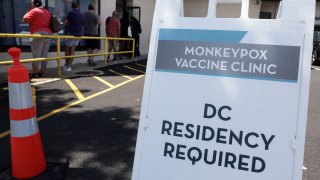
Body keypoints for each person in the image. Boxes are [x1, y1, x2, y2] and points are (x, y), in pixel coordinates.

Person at [23, 0, 52, 78]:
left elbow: (25, 19)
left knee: (36, 55)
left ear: (33, 4)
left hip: (38, 34)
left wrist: (29, 10)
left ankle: (35, 73)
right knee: (44, 55)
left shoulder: (33, 11)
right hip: (48, 35)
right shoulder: (47, 12)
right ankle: (43, 72)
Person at [63, 1, 83, 71]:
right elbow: (82, 24)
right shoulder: (81, 14)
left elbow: (65, 23)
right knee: (72, 50)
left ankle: (66, 65)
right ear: (78, 6)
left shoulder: (71, 13)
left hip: (72, 34)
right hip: (79, 35)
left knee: (67, 49)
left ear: (72, 6)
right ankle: (69, 66)